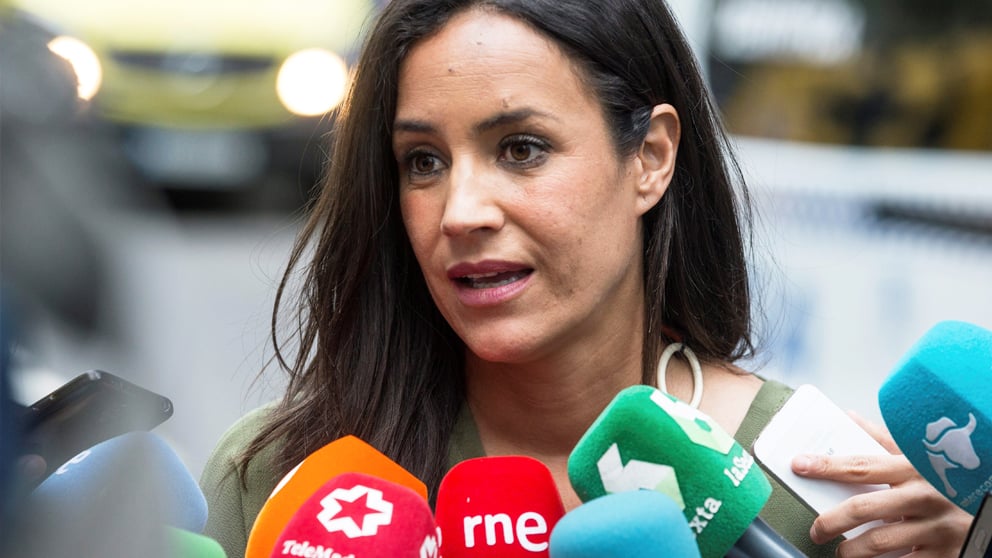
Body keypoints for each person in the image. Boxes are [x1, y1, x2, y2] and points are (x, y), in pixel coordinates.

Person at [199, 1, 972, 556]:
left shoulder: (828, 496)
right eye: (423, 162)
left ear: (651, 158)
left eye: (522, 149)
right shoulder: (282, 483)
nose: (460, 211)